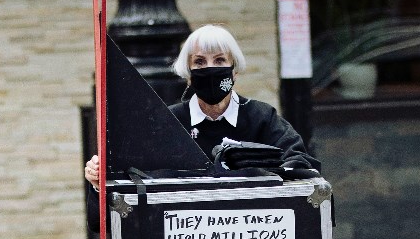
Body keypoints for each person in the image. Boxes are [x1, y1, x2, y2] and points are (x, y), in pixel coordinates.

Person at [84, 24, 318, 196]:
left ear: (234, 71)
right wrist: (98, 180)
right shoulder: (169, 122)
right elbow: (133, 174)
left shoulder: (262, 117)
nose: (209, 69)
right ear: (188, 74)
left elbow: (300, 162)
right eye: (199, 62)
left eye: (219, 61)